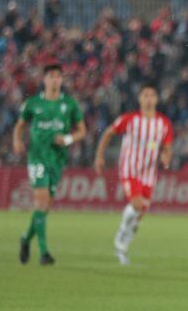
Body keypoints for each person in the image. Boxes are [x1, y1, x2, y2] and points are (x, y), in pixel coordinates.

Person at [13, 62, 86, 266]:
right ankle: (44, 253)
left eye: (58, 76)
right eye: (51, 76)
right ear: (44, 80)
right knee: (41, 202)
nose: (55, 79)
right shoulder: (33, 103)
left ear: (61, 80)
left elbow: (82, 130)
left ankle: (26, 239)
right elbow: (20, 125)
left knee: (45, 207)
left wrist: (68, 139)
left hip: (58, 160)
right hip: (37, 158)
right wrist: (17, 141)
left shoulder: (70, 104)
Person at [93, 85, 174, 265]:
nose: (149, 98)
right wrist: (99, 156)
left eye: (152, 95)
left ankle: (124, 246)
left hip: (149, 173)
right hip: (130, 169)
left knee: (140, 214)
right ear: (139, 99)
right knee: (137, 205)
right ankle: (121, 236)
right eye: (145, 95)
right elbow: (108, 133)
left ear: (157, 99)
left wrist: (166, 158)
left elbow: (167, 147)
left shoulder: (164, 123)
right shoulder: (130, 119)